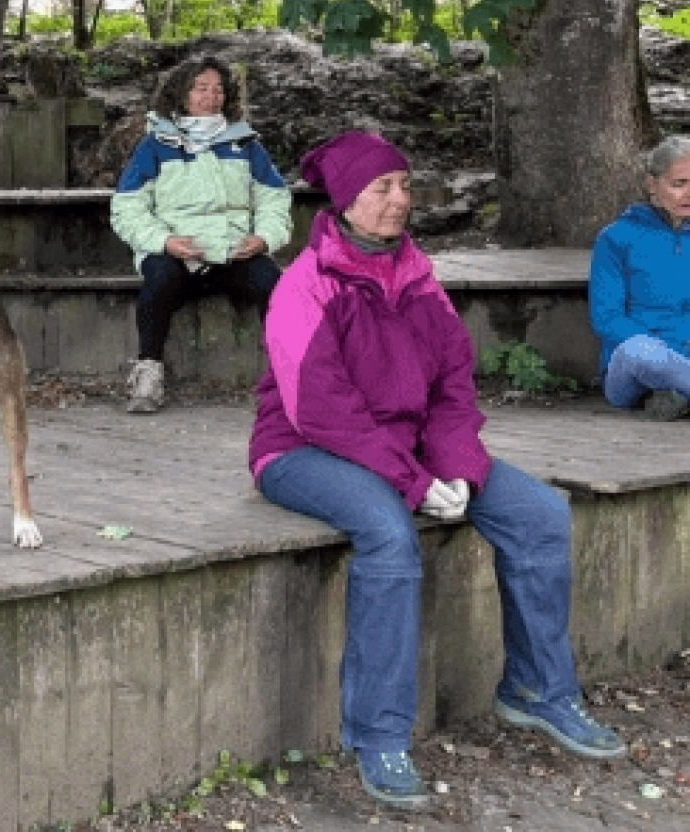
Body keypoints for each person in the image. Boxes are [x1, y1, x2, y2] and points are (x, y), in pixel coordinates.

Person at [252, 131, 624, 808]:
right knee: (389, 534)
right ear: (344, 202)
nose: (400, 201)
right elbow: (321, 410)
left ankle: (538, 690)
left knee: (540, 514)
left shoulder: (418, 275)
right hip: (303, 450)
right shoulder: (304, 286)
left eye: (404, 185)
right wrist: (415, 483)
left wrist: (456, 466)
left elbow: (455, 383)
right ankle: (378, 734)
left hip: (413, 447)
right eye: (381, 189)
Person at [110, 56, 292, 412]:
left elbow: (274, 198)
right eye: (201, 89)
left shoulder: (245, 144)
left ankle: (287, 376)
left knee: (273, 281)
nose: (211, 97)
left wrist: (264, 238)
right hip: (176, 255)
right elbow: (126, 207)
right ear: (181, 94)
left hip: (232, 253)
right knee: (158, 278)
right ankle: (148, 373)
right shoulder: (155, 145)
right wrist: (164, 242)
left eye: (218, 89)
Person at [589, 134, 690, 421]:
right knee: (641, 352)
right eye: (679, 184)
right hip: (636, 366)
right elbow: (607, 318)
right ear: (652, 185)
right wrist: (669, 350)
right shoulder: (616, 238)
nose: (689, 194)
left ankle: (675, 395)